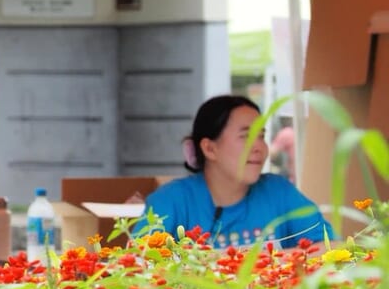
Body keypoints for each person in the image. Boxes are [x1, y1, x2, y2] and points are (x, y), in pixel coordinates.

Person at [141, 95, 331, 248]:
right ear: (210, 149)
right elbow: (138, 265)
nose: (259, 147)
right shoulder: (170, 200)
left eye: (261, 136)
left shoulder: (279, 192)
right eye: (246, 136)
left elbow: (330, 247)